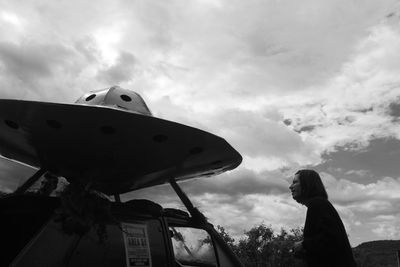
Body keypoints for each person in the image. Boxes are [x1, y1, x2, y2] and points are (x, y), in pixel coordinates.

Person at [289, 169, 357, 267]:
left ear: (306, 185)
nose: (290, 187)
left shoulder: (318, 204)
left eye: (295, 182)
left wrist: (303, 245)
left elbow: (331, 240)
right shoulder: (319, 204)